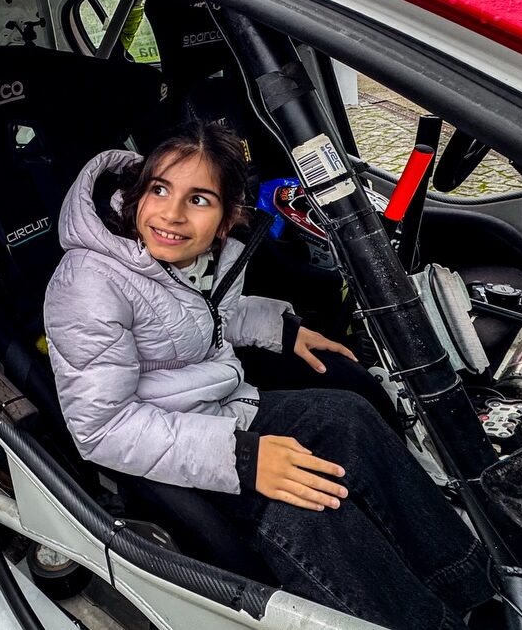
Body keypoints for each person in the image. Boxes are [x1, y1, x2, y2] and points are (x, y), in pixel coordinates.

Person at [43, 122, 493, 630]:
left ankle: (476, 585)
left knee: (346, 416)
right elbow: (101, 429)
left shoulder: (192, 258)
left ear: (226, 216)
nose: (171, 214)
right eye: (160, 190)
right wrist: (243, 458)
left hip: (225, 411)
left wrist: (282, 331)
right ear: (137, 191)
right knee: (316, 510)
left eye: (199, 199)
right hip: (168, 455)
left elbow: (204, 314)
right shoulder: (89, 285)